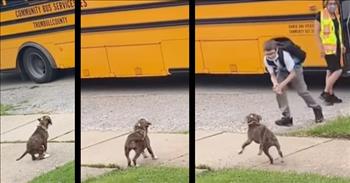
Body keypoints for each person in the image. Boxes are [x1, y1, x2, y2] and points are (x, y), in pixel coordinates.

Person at [263, 40, 324, 127]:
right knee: (279, 92)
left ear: (276, 50)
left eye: (272, 53)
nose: (270, 56)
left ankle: (316, 108)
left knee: (302, 91)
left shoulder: (284, 55)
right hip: (281, 69)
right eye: (267, 54)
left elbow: (293, 74)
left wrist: (282, 85)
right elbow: (272, 74)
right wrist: (276, 84)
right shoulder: (266, 59)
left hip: (295, 69)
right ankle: (287, 118)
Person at [315, 0, 346, 105]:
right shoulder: (320, 15)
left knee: (330, 70)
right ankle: (325, 92)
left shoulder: (336, 14)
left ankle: (330, 96)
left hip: (336, 47)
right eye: (330, 3)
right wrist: (321, 49)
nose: (332, 5)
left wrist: (342, 45)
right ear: (326, 4)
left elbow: (337, 33)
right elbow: (316, 34)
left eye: (334, 3)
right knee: (338, 70)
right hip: (327, 49)